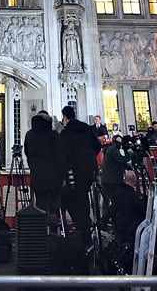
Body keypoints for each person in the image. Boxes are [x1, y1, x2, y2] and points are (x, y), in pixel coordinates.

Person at [59, 105, 101, 250]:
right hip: (89, 170)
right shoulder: (87, 129)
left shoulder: (66, 133)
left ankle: (81, 232)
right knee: (83, 198)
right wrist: (89, 159)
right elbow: (97, 146)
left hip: (74, 172)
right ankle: (85, 230)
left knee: (73, 200)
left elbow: (63, 155)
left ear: (65, 117)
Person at [24, 110, 66, 222]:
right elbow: (60, 157)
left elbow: (27, 153)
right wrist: (64, 175)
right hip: (54, 176)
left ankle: (41, 232)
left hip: (38, 175)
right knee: (54, 204)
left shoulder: (29, 135)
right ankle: (54, 231)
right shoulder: (53, 136)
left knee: (41, 205)